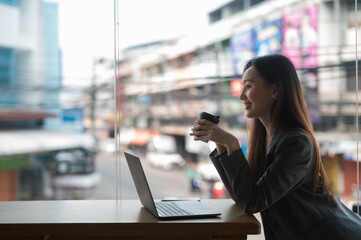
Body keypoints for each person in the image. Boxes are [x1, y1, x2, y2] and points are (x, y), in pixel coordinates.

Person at [190, 54, 361, 240]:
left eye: (248, 86)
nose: (241, 96)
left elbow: (253, 202)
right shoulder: (263, 139)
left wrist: (231, 143)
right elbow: (242, 196)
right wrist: (221, 144)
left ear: (275, 90)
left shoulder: (296, 143)